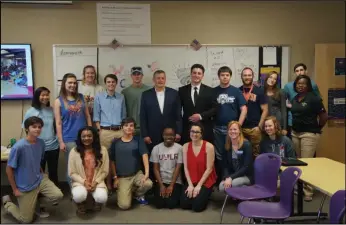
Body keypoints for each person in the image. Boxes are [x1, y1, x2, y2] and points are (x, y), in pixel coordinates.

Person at [2, 116, 63, 223]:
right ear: (26, 129)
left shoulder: (41, 143)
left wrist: (43, 174)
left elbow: (36, 160)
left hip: (39, 179)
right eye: (34, 127)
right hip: (25, 186)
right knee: (26, 220)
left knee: (58, 196)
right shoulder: (18, 147)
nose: (37, 129)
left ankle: (35, 205)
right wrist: (15, 190)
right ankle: (8, 203)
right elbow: (9, 169)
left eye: (39, 127)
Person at [290, 75, 327, 201]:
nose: (300, 85)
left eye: (303, 83)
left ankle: (308, 191)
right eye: (298, 83)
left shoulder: (314, 98)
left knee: (308, 162)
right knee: (299, 162)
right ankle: (300, 188)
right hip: (295, 133)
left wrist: (317, 129)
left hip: (309, 134)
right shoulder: (295, 98)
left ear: (308, 85)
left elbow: (323, 116)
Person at [54, 73, 92, 185]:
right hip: (69, 139)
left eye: (75, 83)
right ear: (64, 84)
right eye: (70, 82)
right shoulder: (58, 101)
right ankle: (74, 190)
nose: (73, 85)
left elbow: (88, 116)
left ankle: (86, 187)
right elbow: (58, 122)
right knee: (72, 167)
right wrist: (60, 141)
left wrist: (90, 133)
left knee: (86, 164)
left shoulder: (81, 97)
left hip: (85, 138)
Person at [109, 117, 153, 210]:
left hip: (136, 174)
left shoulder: (138, 140)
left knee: (148, 183)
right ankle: (126, 191)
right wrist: (115, 178)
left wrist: (146, 174)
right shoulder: (115, 143)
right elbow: (112, 161)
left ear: (134, 128)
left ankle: (137, 194)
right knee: (124, 206)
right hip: (122, 177)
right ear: (122, 127)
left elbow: (144, 156)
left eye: (131, 126)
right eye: (126, 125)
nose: (129, 128)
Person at [213, 66, 247, 185]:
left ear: (230, 76)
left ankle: (233, 178)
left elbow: (244, 109)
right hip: (217, 129)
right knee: (219, 155)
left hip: (232, 131)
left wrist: (238, 126)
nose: (225, 77)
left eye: (227, 75)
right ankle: (221, 179)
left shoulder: (236, 91)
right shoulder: (214, 91)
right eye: (222, 75)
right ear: (219, 76)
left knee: (233, 154)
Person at [94, 74, 126, 193]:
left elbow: (124, 115)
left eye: (113, 82)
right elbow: (96, 116)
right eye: (108, 82)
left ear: (116, 83)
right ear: (105, 84)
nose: (111, 84)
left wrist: (123, 130)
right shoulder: (99, 97)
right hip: (105, 131)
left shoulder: (121, 97)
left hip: (119, 131)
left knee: (119, 158)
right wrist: (99, 130)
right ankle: (107, 183)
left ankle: (118, 182)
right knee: (105, 159)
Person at [23, 87, 60, 187]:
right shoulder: (31, 111)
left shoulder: (51, 110)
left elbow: (57, 125)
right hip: (37, 147)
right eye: (42, 95)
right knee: (38, 172)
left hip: (53, 146)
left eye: (47, 95)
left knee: (53, 172)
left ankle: (54, 194)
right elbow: (26, 128)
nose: (45, 97)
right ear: (37, 96)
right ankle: (38, 192)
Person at [68, 126, 109, 215]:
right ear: (80, 137)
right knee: (79, 196)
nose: (86, 138)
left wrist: (96, 182)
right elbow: (72, 173)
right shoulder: (74, 151)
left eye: (89, 136)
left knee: (102, 197)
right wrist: (84, 182)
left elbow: (105, 171)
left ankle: (96, 202)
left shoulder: (103, 150)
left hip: (97, 181)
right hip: (80, 182)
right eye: (84, 136)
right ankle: (80, 204)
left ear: (94, 137)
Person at [140, 70, 183, 153]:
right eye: (158, 78)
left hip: (170, 133)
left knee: (170, 156)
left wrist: (178, 132)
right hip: (152, 133)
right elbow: (143, 116)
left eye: (162, 78)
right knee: (154, 157)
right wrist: (145, 135)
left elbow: (178, 114)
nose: (160, 80)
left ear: (165, 79)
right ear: (153, 80)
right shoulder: (146, 95)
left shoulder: (174, 93)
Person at [180, 122, 217, 212]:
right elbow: (185, 167)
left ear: (201, 134)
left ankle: (206, 195)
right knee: (184, 204)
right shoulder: (185, 146)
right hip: (192, 179)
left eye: (197, 132)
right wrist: (190, 185)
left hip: (205, 180)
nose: (194, 134)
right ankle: (198, 194)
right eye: (192, 131)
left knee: (197, 207)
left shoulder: (209, 146)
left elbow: (209, 169)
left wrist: (199, 186)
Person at [178, 64, 217, 144]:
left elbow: (215, 109)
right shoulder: (182, 90)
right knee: (188, 153)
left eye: (199, 73)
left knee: (205, 153)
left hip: (205, 129)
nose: (196, 75)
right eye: (194, 73)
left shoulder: (210, 91)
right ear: (191, 74)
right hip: (187, 129)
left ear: (202, 75)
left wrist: (200, 116)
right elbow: (177, 110)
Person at [284, 63, 321, 137]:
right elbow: (284, 100)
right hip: (293, 120)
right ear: (295, 73)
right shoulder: (288, 86)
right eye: (297, 71)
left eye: (301, 70)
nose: (299, 72)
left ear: (306, 71)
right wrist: (290, 105)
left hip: (308, 121)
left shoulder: (312, 85)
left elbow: (318, 101)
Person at [150, 127, 183, 209]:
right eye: (166, 135)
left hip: (175, 181)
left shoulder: (180, 148)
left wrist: (171, 185)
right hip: (161, 180)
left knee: (171, 204)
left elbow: (178, 168)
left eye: (171, 135)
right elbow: (155, 168)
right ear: (163, 136)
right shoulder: (156, 148)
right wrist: (161, 185)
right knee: (159, 204)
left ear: (175, 136)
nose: (169, 137)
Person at [239, 67, 268, 158]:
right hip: (241, 129)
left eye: (249, 75)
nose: (247, 77)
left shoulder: (259, 91)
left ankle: (256, 172)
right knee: (242, 154)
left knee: (256, 155)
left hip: (254, 129)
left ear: (253, 76)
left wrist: (259, 126)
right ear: (241, 77)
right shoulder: (237, 91)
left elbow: (265, 110)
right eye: (245, 75)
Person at [219, 121, 253, 192]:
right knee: (221, 187)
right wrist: (227, 178)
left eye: (235, 129)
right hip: (233, 175)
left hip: (245, 175)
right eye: (230, 129)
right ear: (228, 131)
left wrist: (231, 178)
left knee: (233, 184)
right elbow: (225, 166)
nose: (232, 131)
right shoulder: (226, 146)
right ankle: (237, 193)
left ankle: (246, 192)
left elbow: (246, 167)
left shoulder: (246, 145)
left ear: (239, 131)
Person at [121, 67, 151, 136]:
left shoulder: (150, 90)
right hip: (130, 128)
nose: (136, 76)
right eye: (134, 74)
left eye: (139, 74)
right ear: (131, 76)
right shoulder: (125, 92)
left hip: (146, 127)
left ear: (142, 75)